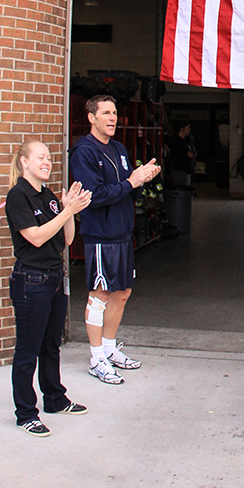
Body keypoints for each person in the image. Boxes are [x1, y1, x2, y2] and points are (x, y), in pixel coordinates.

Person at [69, 95, 161, 385]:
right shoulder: (83, 152)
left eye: (115, 113)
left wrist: (140, 180)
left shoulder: (120, 149)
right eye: (106, 113)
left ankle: (109, 348)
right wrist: (131, 182)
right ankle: (96, 358)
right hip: (100, 236)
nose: (113, 118)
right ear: (91, 118)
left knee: (122, 293)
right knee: (100, 295)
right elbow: (94, 197)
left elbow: (126, 191)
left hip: (123, 234)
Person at [5, 139, 92, 436]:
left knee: (50, 346)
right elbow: (37, 237)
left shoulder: (49, 196)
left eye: (49, 158)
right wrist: (67, 212)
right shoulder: (19, 196)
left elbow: (66, 240)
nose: (47, 162)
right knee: (28, 351)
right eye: (40, 157)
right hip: (31, 280)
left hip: (55, 278)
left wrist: (70, 210)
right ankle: (26, 412)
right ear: (24, 163)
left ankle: (55, 398)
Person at [169, 120, 196, 186]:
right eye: (188, 128)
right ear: (182, 129)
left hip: (186, 170)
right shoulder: (176, 141)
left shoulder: (186, 140)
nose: (189, 130)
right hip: (179, 170)